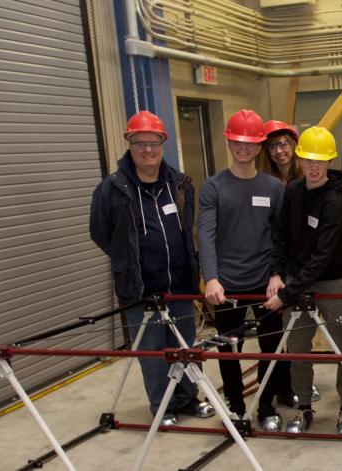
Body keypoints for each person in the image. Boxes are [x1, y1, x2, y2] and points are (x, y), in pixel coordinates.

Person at [89, 111, 213, 426]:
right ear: (129, 144)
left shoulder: (180, 184)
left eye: (153, 142)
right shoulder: (111, 189)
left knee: (183, 347)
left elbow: (187, 228)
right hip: (140, 290)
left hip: (180, 285)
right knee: (153, 352)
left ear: (163, 144)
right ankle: (162, 407)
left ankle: (187, 399)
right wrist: (126, 261)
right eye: (140, 142)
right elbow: (100, 232)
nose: (147, 150)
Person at [198, 109, 292, 431]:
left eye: (250, 142)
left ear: (259, 145)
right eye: (238, 141)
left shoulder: (273, 187)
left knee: (271, 347)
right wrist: (211, 278)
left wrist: (277, 274)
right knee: (228, 349)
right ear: (229, 141)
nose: (243, 147)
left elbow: (281, 236)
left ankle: (266, 404)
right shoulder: (213, 187)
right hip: (227, 286)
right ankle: (236, 407)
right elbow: (206, 235)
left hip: (264, 283)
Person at [263, 126, 342, 435]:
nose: (314, 167)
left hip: (331, 280)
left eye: (321, 161)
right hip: (294, 278)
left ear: (330, 161)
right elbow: (280, 234)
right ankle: (304, 406)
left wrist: (287, 293)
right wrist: (277, 273)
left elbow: (323, 255)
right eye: (308, 160)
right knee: (298, 347)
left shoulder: (334, 200)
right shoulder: (292, 191)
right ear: (299, 159)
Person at [258, 120, 302, 186]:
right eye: (272, 146)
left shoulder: (306, 175)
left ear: (292, 144)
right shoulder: (264, 181)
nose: (278, 151)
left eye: (283, 144)